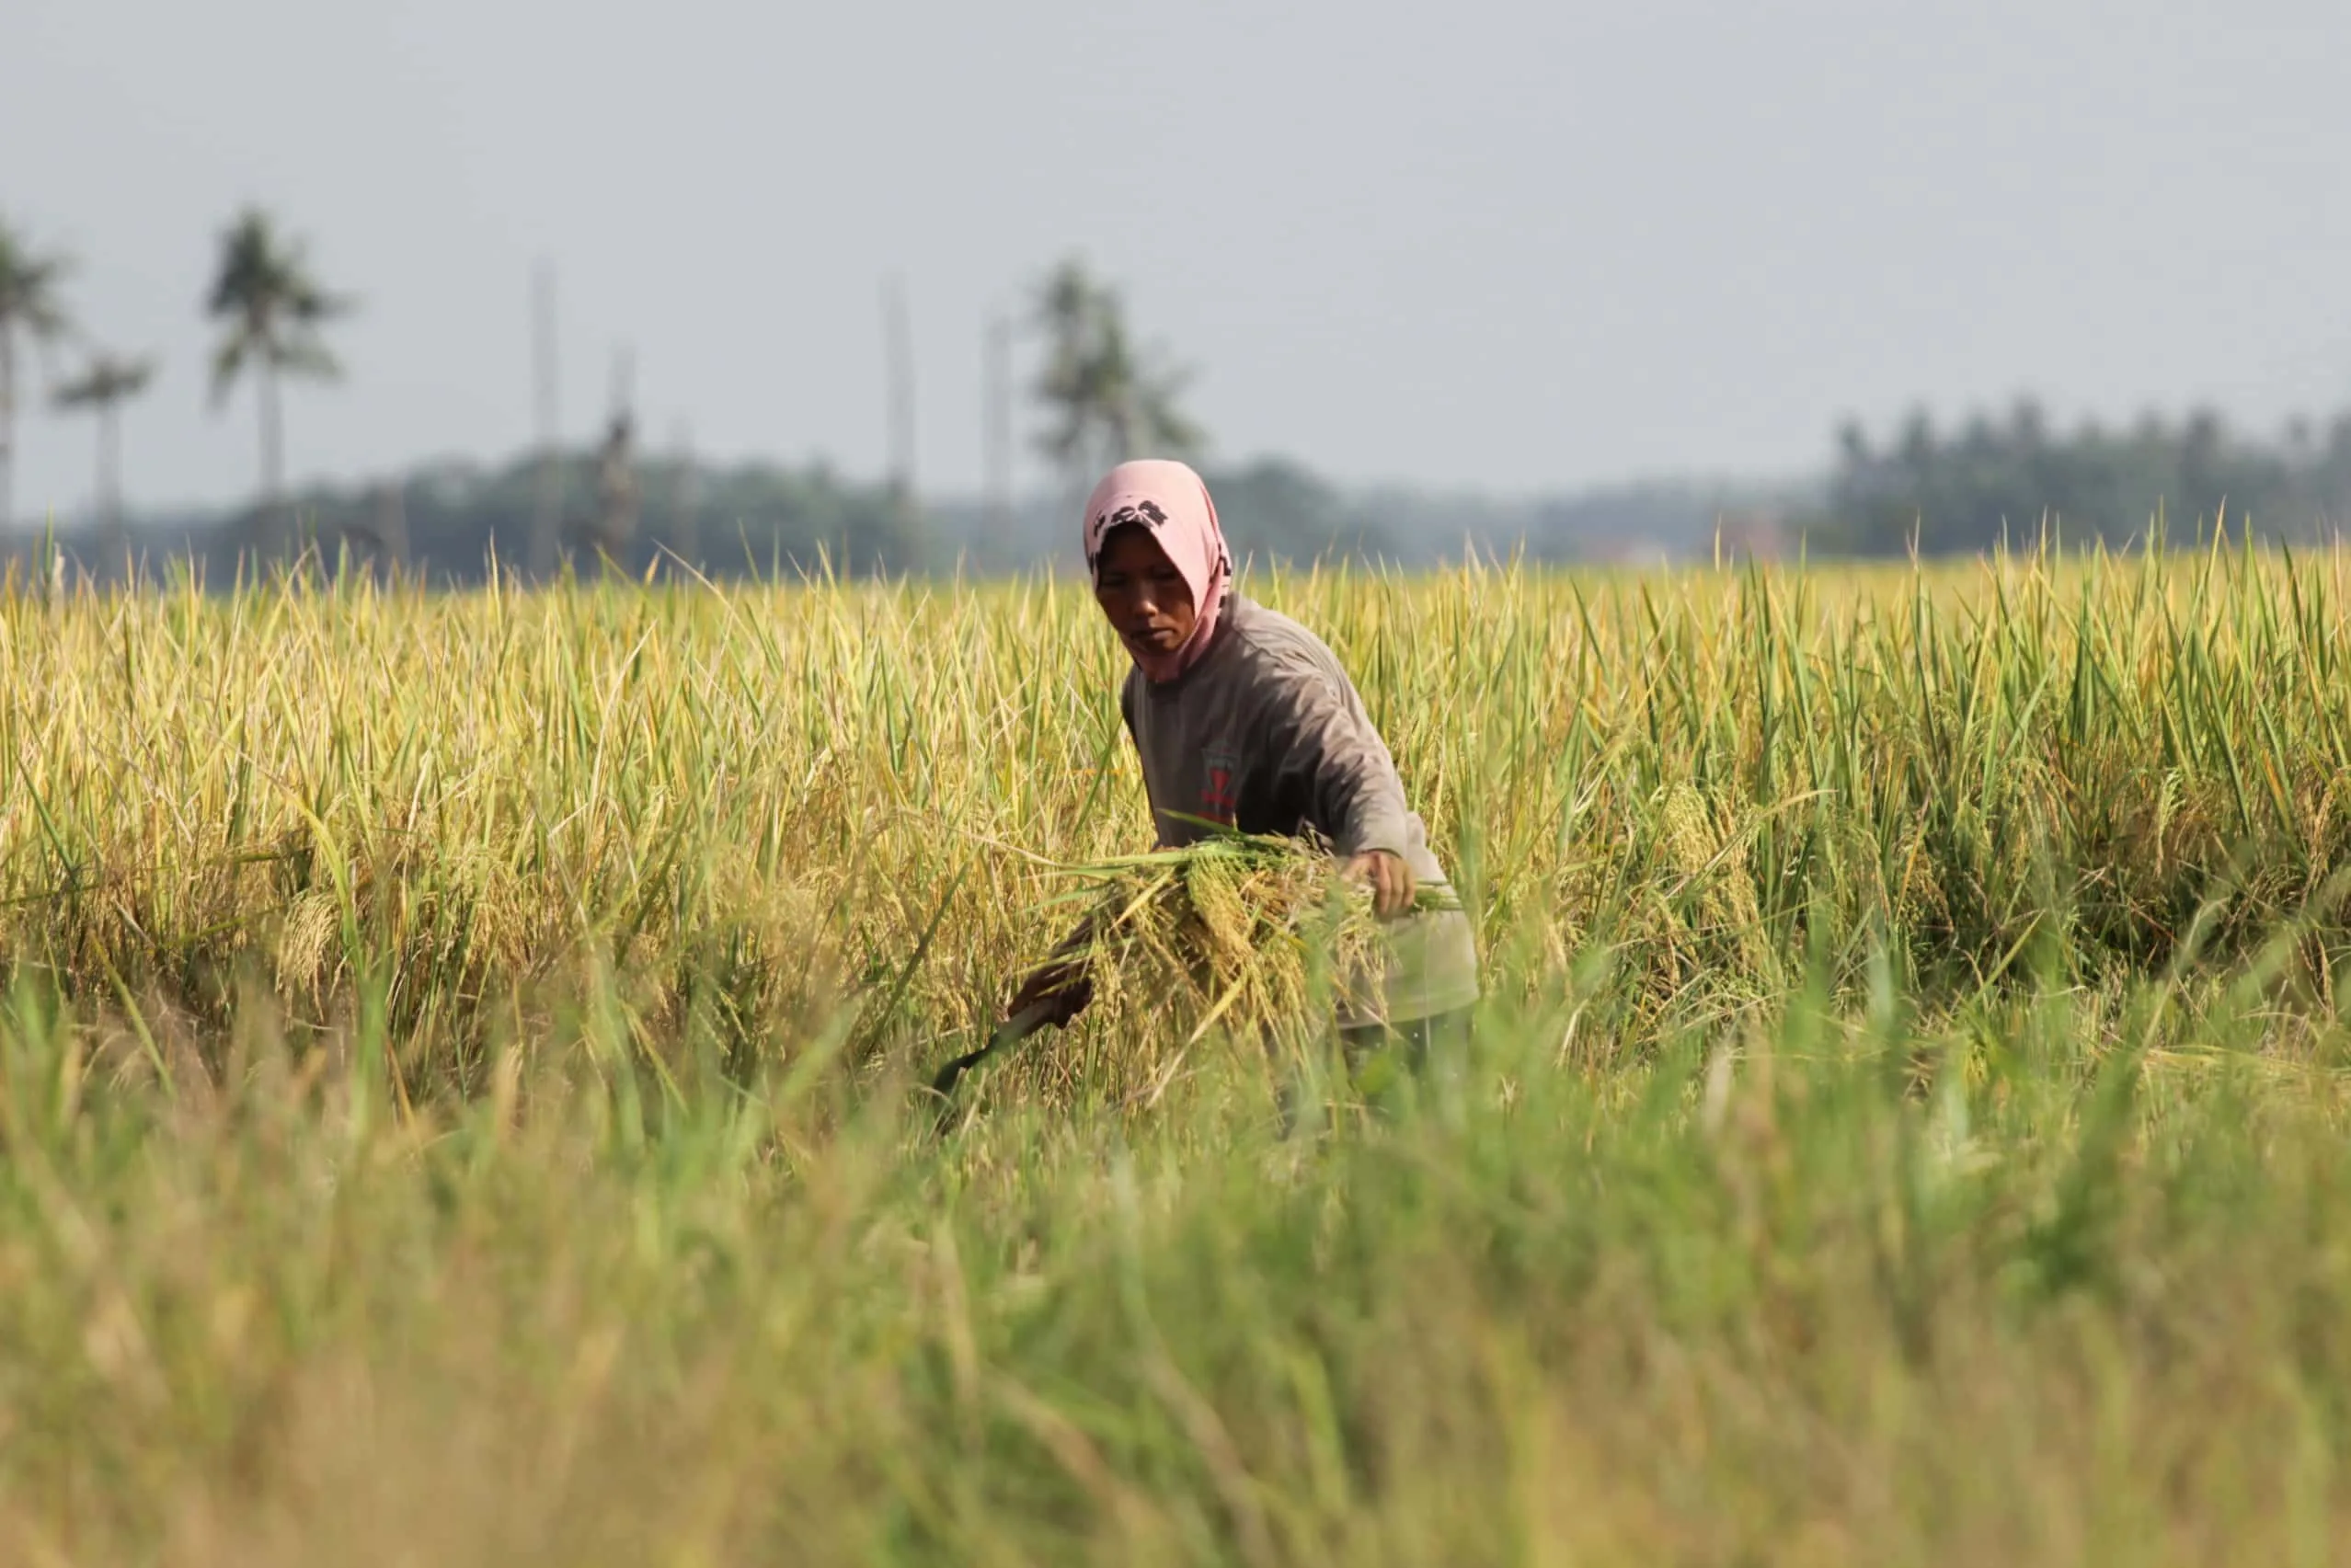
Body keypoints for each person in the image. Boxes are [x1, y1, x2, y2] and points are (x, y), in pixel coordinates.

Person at [1007, 458, 1480, 1072]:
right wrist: (1082, 958)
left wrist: (1379, 847)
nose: (1143, 606)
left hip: (1396, 980)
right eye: (1117, 582)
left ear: (1203, 560)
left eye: (1163, 574)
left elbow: (1359, 769)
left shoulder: (1266, 670)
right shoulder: (1146, 689)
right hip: (1296, 994)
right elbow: (1185, 854)